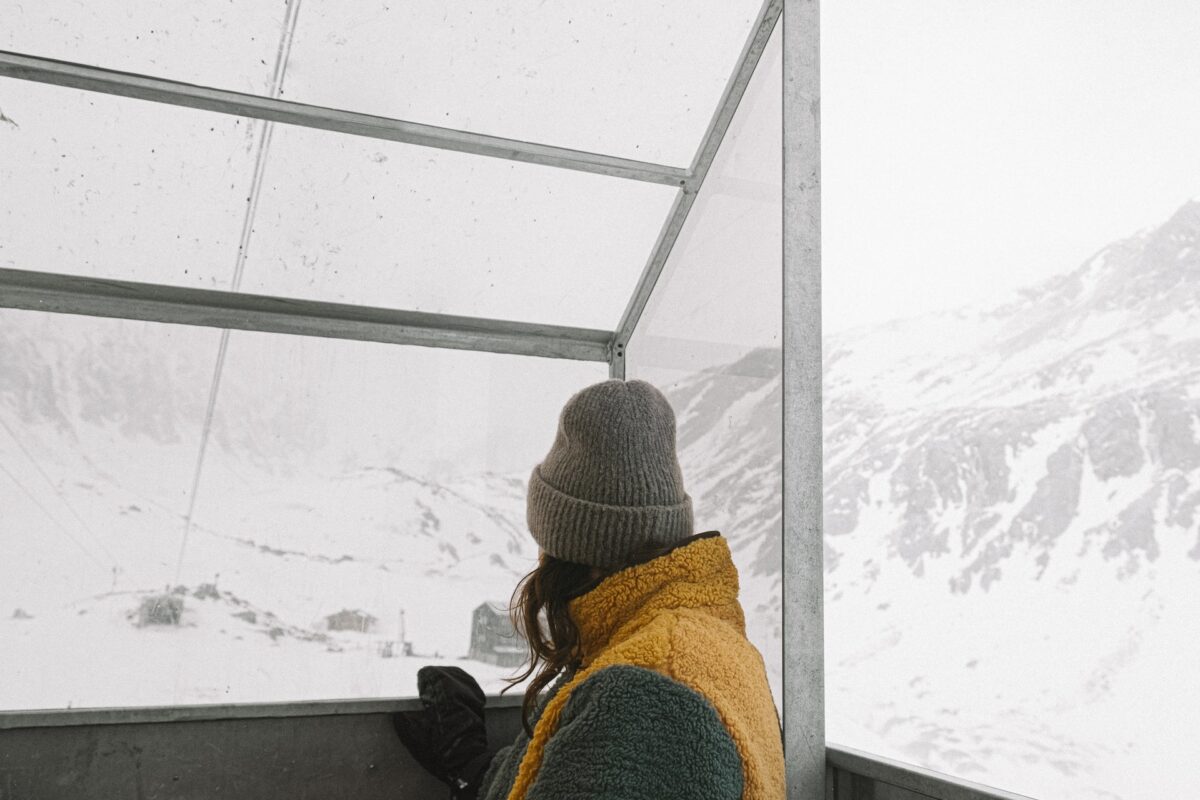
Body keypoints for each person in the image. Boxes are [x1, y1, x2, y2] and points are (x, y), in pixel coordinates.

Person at [394, 379, 784, 799]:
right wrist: (474, 770)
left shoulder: (643, 695)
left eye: (545, 542)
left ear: (576, 548)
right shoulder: (688, 645)